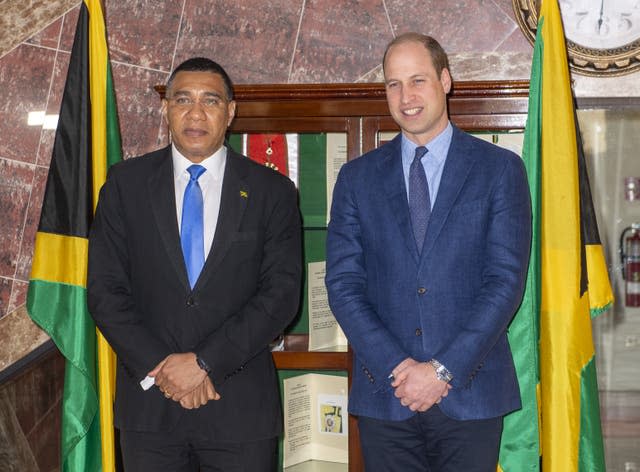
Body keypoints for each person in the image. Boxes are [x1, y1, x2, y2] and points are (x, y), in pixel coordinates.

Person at [325, 33, 532, 471]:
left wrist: (441, 371)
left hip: (471, 392)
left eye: (417, 80)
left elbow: (504, 283)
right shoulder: (356, 179)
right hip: (386, 394)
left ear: (446, 80)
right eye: (393, 84)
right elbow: (343, 286)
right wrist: (399, 368)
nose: (406, 97)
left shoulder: (498, 170)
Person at [88, 57, 302, 471]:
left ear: (231, 112)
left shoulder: (271, 191)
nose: (196, 113)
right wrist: (163, 368)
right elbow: (105, 291)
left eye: (211, 101)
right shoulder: (124, 185)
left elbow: (280, 296)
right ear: (165, 108)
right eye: (182, 99)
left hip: (238, 409)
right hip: (150, 409)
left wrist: (204, 363)